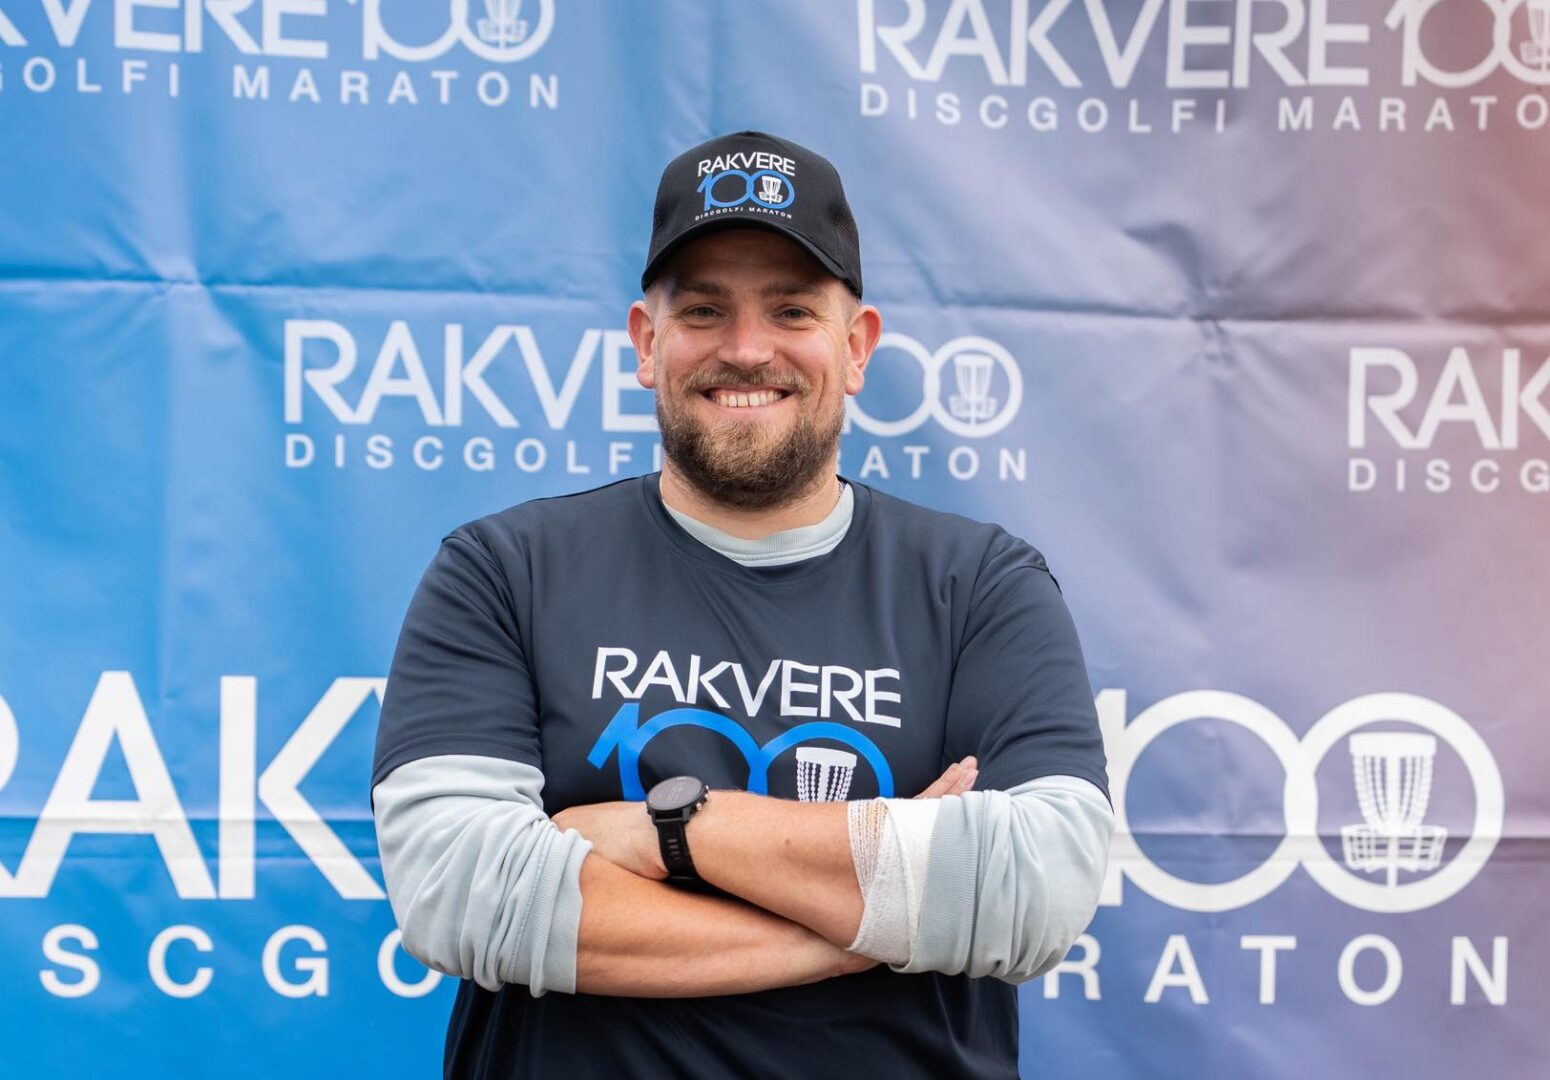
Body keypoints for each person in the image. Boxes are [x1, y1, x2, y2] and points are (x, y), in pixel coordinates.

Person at [370, 130, 1114, 1080]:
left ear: (856, 347)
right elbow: (461, 894)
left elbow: (1037, 889)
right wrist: (876, 914)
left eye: (792, 310)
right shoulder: (503, 572)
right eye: (705, 310)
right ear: (648, 343)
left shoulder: (980, 586)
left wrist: (670, 829)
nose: (748, 349)